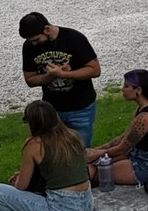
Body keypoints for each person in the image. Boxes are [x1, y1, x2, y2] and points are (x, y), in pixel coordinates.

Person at [17, 12, 101, 145]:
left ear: (47, 29)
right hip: (52, 110)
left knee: (81, 151)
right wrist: (50, 76)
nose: (34, 44)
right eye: (30, 41)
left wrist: (64, 75)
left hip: (81, 108)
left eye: (36, 40)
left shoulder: (74, 38)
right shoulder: (29, 46)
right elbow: (30, 80)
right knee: (54, 152)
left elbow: (95, 70)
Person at [95, 69, 148, 186]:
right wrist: (98, 149)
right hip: (140, 157)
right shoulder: (143, 109)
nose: (123, 89)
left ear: (138, 90)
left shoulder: (145, 118)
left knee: (99, 173)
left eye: (126, 86)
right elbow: (125, 137)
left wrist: (96, 154)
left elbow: (122, 148)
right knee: (97, 164)